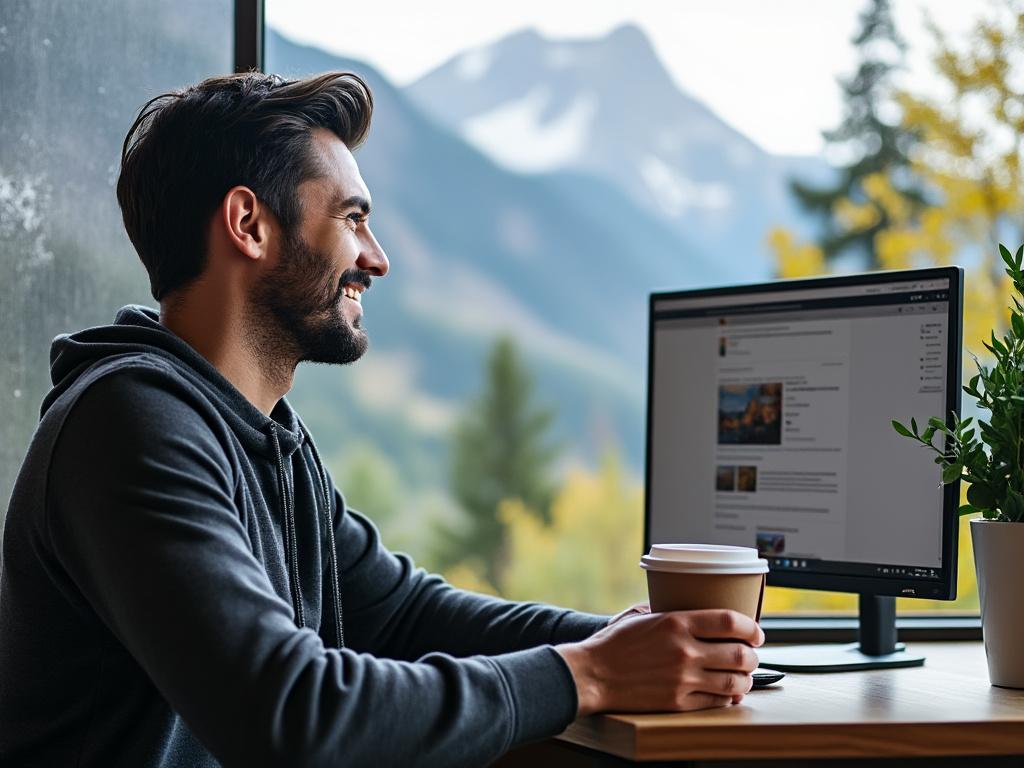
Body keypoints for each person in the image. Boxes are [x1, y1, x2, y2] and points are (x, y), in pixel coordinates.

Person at [0, 71, 762, 768]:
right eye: (353, 218)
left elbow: (400, 615)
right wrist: (588, 673)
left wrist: (620, 639)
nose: (378, 257)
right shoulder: (127, 426)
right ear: (249, 225)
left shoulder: (264, 438)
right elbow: (291, 716)